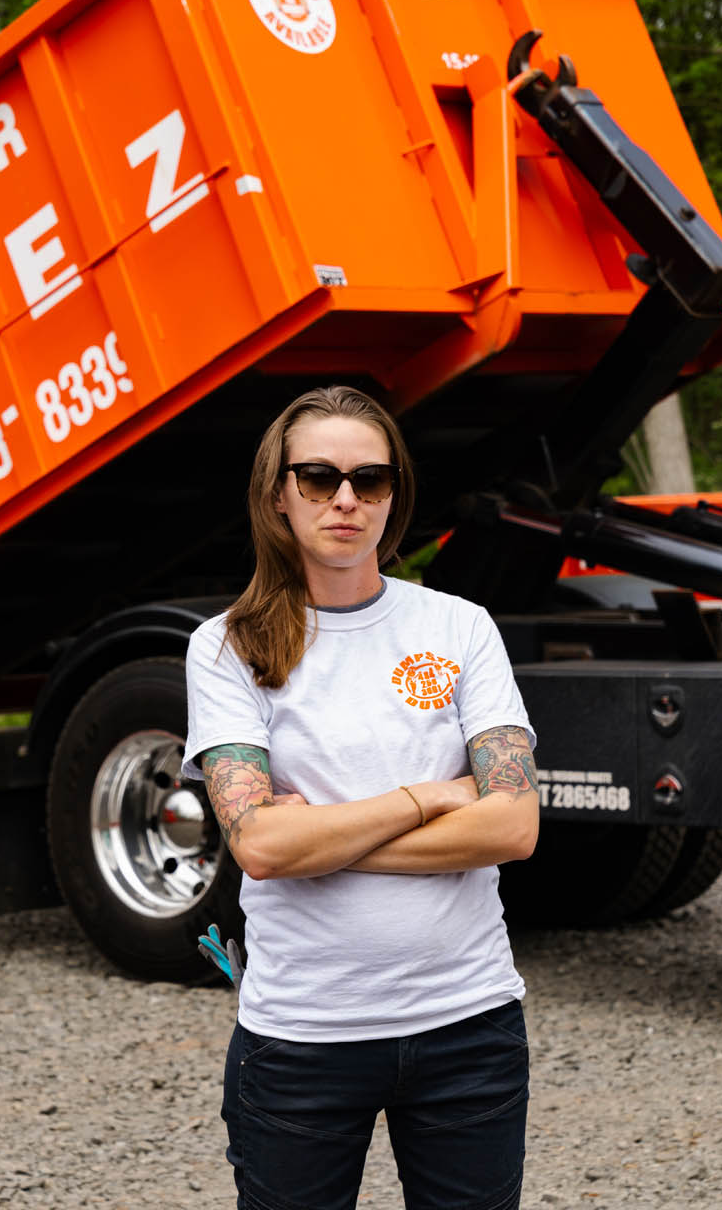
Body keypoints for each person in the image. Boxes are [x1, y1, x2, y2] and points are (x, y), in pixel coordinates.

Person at [183, 385, 538, 1210]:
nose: (345, 499)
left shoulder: (459, 627)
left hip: (467, 1027)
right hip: (303, 1037)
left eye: (369, 480)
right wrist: (433, 796)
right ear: (278, 493)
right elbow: (263, 849)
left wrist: (324, 839)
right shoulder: (228, 646)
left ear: (392, 495)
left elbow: (514, 824)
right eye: (317, 477)